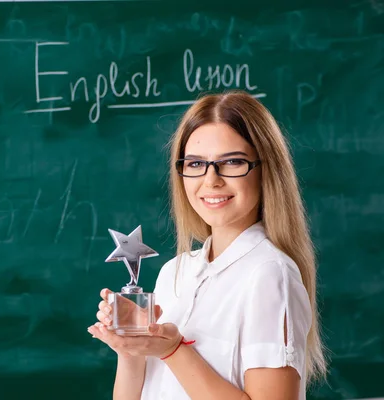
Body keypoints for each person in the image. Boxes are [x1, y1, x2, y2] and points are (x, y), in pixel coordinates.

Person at [87, 91, 327, 400]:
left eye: (232, 162)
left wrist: (173, 350)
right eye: (196, 163)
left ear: (266, 170)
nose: (211, 180)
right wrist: (131, 348)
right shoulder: (175, 272)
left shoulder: (269, 274)